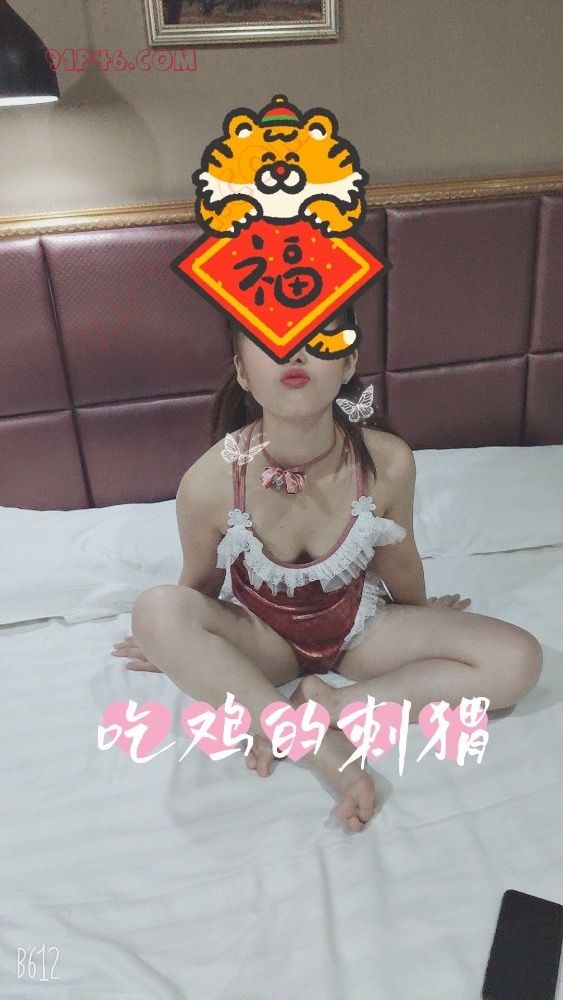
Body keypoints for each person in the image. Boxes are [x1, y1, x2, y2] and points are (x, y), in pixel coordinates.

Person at [111, 307, 543, 834]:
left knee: (519, 659)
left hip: (358, 628)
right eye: (272, 340)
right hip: (264, 641)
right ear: (242, 371)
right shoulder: (208, 482)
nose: (295, 353)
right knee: (155, 609)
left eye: (319, 338)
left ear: (348, 363)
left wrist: (428, 622)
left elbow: (400, 559)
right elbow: (198, 587)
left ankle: (332, 703)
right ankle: (306, 739)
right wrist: (174, 646)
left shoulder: (387, 461)